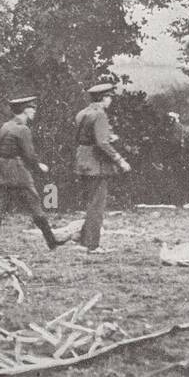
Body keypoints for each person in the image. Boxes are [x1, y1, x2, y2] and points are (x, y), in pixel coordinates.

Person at [0, 96, 63, 252]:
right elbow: (29, 154)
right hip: (17, 170)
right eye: (32, 108)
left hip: (1, 169)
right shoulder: (23, 129)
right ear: (25, 110)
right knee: (34, 203)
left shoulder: (5, 126)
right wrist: (38, 166)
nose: (34, 111)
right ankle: (51, 241)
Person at [69, 82, 132, 253]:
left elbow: (84, 136)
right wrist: (120, 160)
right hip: (96, 163)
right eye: (109, 97)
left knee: (91, 201)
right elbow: (101, 143)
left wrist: (106, 136)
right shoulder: (100, 115)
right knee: (97, 204)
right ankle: (92, 245)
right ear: (104, 98)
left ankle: (83, 238)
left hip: (82, 160)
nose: (110, 100)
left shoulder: (83, 113)